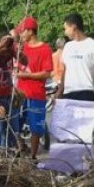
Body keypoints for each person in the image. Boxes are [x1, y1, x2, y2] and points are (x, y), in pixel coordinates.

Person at [13, 16, 53, 160]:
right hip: (20, 93)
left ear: (31, 31)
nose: (21, 34)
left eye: (23, 31)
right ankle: (19, 148)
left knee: (36, 127)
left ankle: (33, 156)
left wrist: (26, 75)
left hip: (36, 94)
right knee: (15, 123)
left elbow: (46, 73)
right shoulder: (20, 49)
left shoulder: (45, 49)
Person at [53, 13, 94, 105]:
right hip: (68, 92)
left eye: (66, 29)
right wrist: (60, 90)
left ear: (74, 27)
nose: (65, 32)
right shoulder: (68, 46)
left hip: (86, 91)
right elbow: (64, 70)